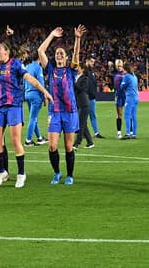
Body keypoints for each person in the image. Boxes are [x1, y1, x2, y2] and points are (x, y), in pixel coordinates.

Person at [0, 34, 51, 188]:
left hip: (14, 106)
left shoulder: (16, 64)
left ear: (7, 52)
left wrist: (44, 91)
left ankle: (21, 174)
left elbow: (30, 79)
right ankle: (1, 172)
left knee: (15, 140)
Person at [38, 24, 85, 185]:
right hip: (54, 112)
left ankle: (70, 175)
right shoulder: (50, 69)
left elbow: (76, 55)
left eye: (61, 53)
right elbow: (40, 51)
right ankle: (57, 172)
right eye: (57, 53)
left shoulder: (71, 70)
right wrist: (51, 35)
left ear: (65, 58)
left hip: (70, 111)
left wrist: (77, 38)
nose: (58, 55)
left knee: (68, 146)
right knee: (52, 146)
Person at [23, 49, 45, 146]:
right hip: (36, 95)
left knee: (33, 117)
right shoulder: (38, 68)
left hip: (27, 94)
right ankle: (28, 140)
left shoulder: (27, 67)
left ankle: (39, 138)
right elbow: (41, 82)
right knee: (33, 118)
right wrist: (44, 96)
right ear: (40, 57)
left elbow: (24, 81)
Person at [120, 61, 140, 139]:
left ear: (125, 69)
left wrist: (123, 80)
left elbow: (121, 87)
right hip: (136, 98)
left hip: (130, 98)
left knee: (127, 115)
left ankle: (128, 133)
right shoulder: (134, 76)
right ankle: (134, 134)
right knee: (134, 116)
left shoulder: (127, 76)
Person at [113, 58, 127, 138]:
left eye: (120, 66)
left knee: (128, 114)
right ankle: (119, 132)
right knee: (119, 115)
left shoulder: (126, 74)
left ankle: (130, 132)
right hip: (118, 96)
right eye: (117, 66)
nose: (119, 67)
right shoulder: (115, 74)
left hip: (126, 96)